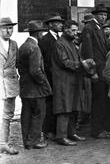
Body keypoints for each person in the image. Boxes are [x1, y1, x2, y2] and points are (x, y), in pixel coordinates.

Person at [52, 20, 94, 146]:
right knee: (64, 109)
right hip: (63, 81)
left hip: (73, 81)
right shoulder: (59, 44)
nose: (76, 33)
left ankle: (71, 133)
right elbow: (64, 62)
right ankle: (61, 136)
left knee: (74, 108)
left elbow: (77, 60)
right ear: (66, 29)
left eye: (76, 30)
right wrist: (82, 64)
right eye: (74, 30)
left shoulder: (71, 43)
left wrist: (85, 63)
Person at [18, 20, 52, 149]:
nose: (42, 35)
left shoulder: (23, 46)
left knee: (26, 115)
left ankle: (27, 141)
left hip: (25, 88)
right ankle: (35, 141)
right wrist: (43, 82)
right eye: (42, 32)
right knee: (39, 114)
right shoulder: (35, 47)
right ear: (38, 34)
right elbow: (35, 71)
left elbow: (20, 66)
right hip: (36, 89)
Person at [81, 4, 110, 139]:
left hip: (103, 69)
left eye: (105, 15)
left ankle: (101, 128)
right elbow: (88, 51)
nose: (103, 17)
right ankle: (96, 130)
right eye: (101, 15)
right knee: (98, 101)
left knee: (103, 100)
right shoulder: (89, 28)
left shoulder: (99, 28)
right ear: (95, 15)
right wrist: (92, 72)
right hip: (97, 70)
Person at [38, 13, 64, 142]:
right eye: (57, 23)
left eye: (61, 23)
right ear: (50, 25)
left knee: (57, 103)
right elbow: (45, 60)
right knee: (49, 104)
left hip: (58, 77)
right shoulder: (45, 40)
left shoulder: (61, 38)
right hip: (50, 76)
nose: (60, 25)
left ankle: (54, 129)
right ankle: (48, 131)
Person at [0, 17, 20, 155]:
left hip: (11, 83)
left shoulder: (14, 44)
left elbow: (16, 64)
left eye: (10, 28)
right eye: (5, 28)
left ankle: (3, 143)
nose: (8, 31)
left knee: (8, 115)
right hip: (0, 82)